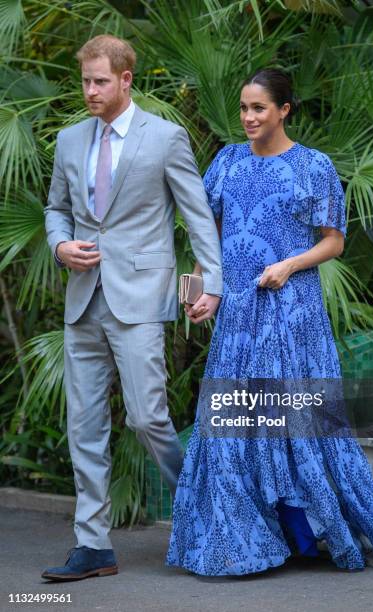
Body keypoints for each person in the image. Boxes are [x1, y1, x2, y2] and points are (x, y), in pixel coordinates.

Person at [166, 68, 373, 576]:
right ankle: (241, 539)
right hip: (238, 312)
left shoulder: (314, 166)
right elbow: (210, 235)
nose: (247, 118)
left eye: (258, 108)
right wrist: (201, 290)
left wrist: (290, 264)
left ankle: (304, 531)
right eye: (244, 108)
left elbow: (334, 240)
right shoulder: (225, 163)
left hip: (292, 311)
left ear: (284, 110)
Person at [42, 34, 222, 581]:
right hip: (82, 302)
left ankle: (208, 514)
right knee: (85, 426)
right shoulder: (71, 140)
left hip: (141, 300)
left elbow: (197, 217)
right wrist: (59, 244)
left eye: (100, 81)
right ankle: (93, 545)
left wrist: (208, 285)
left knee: (148, 419)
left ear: (126, 79)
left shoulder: (165, 138)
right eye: (85, 81)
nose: (90, 91)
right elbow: (55, 208)